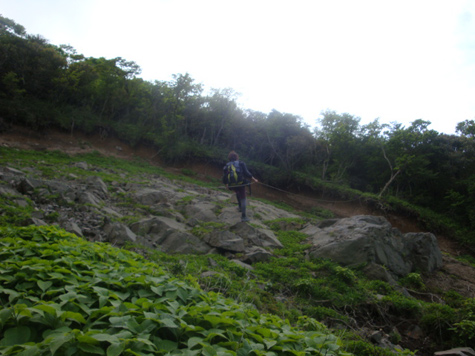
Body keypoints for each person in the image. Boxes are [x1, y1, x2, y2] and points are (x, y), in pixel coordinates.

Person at [223, 151, 258, 222]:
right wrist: (254, 179)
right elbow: (246, 172)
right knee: (243, 197)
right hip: (241, 183)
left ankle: (239, 207)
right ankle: (244, 216)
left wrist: (226, 184)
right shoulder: (241, 163)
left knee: (237, 193)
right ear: (236, 157)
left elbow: (225, 176)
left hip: (232, 184)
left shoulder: (227, 165)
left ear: (229, 158)